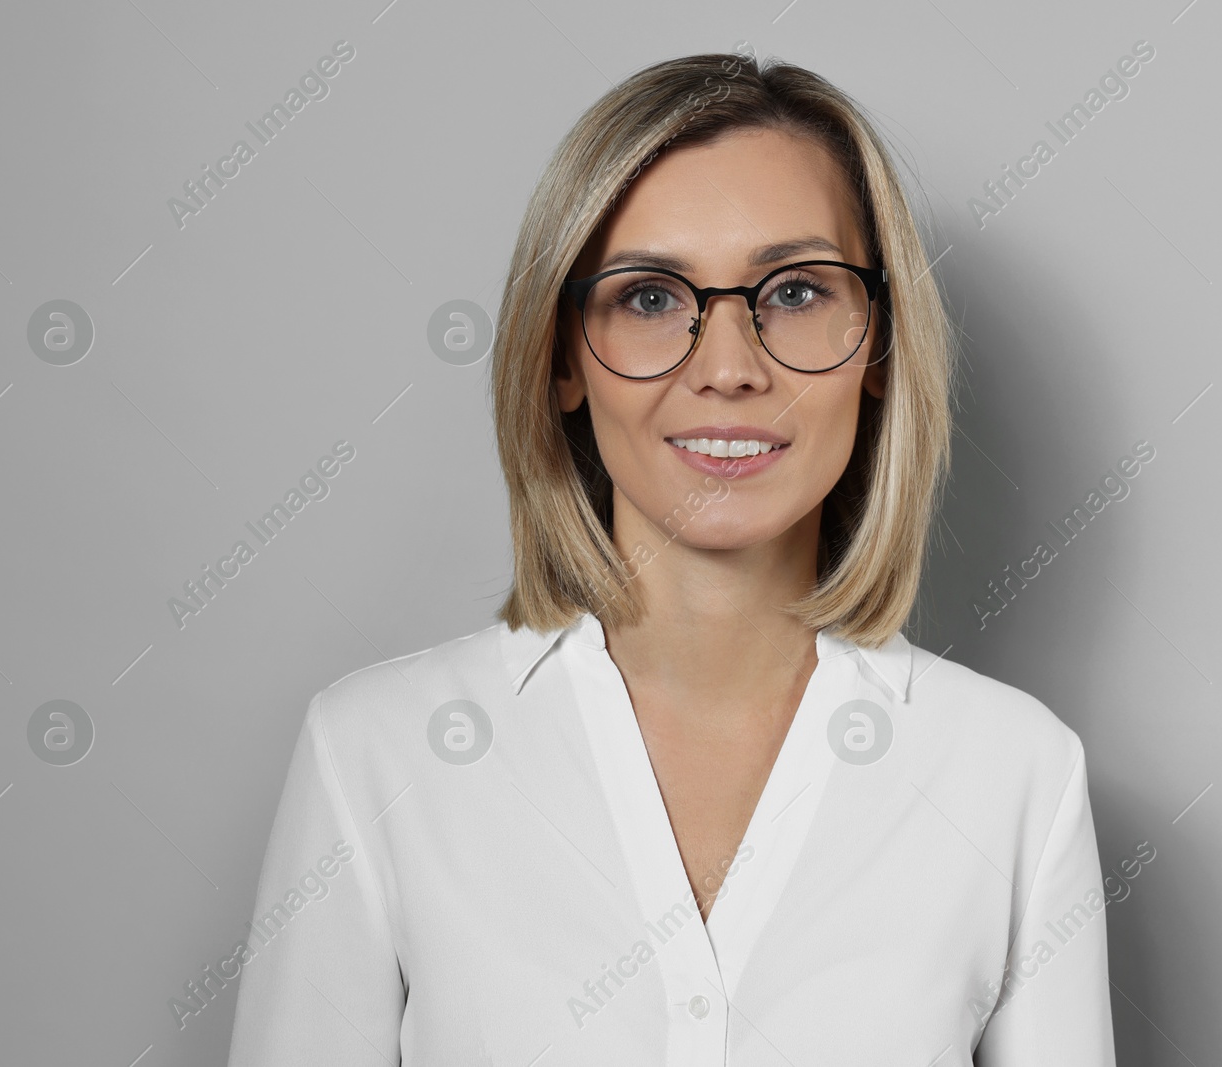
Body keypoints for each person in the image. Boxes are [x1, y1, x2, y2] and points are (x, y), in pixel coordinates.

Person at [226, 50, 1115, 1066]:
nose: (729, 368)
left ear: (878, 345)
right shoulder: (376, 755)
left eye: (794, 291)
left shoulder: (1014, 775)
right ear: (559, 355)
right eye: (650, 297)